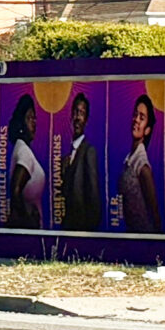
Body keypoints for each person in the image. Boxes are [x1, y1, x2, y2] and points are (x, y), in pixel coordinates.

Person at [61, 91, 105, 231]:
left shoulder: (89, 151)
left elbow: (94, 197)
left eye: (81, 113)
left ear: (86, 120)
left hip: (82, 231)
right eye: (75, 112)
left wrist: (89, 234)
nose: (77, 117)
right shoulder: (68, 156)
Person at [119, 94, 160, 235]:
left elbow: (154, 213)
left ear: (147, 130)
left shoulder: (143, 167)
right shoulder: (129, 158)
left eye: (142, 118)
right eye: (135, 115)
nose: (136, 120)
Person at [5, 95, 46, 230]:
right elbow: (15, 189)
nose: (33, 122)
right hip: (28, 232)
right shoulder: (24, 152)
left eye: (35, 118)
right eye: (29, 118)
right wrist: (28, 221)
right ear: (21, 124)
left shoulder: (21, 148)